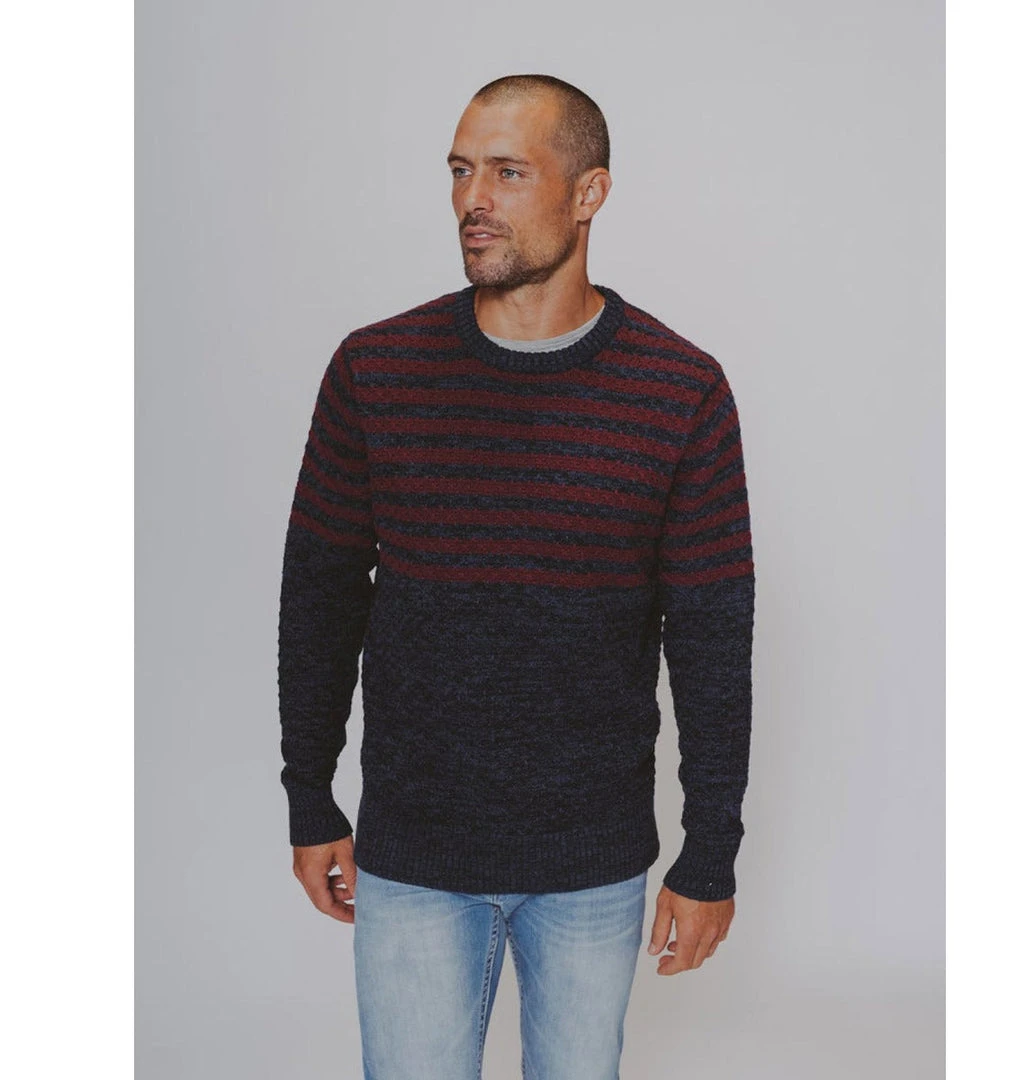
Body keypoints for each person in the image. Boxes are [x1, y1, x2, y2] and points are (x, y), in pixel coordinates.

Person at [278, 73, 756, 1079]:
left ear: (589, 193)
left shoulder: (680, 391)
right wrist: (310, 795)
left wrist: (710, 851)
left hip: (591, 865)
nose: (473, 199)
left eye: (507, 172)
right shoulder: (376, 371)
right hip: (413, 856)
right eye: (461, 171)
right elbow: (320, 597)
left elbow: (711, 640)